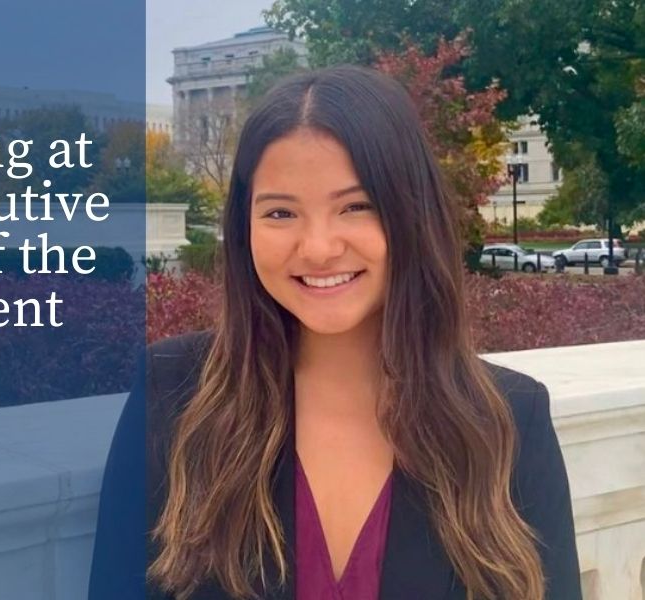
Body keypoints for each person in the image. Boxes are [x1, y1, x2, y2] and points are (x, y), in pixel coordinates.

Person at [89, 65, 581, 600]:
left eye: (356, 206)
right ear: (243, 227)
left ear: (411, 214)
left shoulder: (509, 419)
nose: (318, 248)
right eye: (280, 212)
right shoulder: (175, 394)